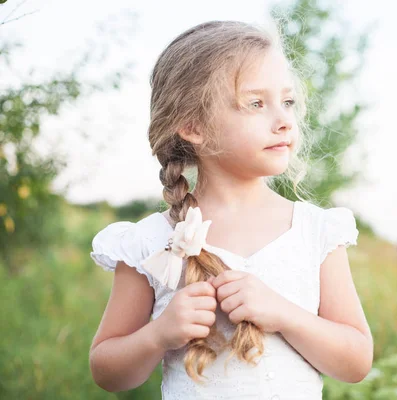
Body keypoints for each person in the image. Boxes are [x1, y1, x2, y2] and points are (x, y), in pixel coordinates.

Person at [88, 20, 373, 400]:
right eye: (256, 103)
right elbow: (107, 371)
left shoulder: (315, 231)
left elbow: (355, 362)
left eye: (287, 102)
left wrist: (284, 313)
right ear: (193, 125)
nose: (284, 119)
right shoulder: (150, 243)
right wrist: (158, 335)